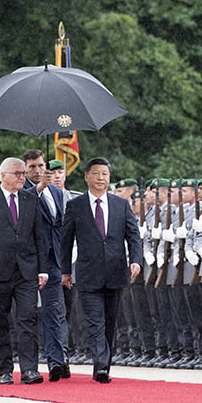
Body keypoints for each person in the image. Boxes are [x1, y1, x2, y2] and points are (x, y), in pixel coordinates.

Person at [61, 157, 143, 383]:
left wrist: (136, 260)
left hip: (116, 272)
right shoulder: (75, 206)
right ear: (87, 176)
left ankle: (104, 363)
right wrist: (65, 270)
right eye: (96, 174)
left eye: (105, 174)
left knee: (110, 321)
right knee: (95, 321)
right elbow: (66, 240)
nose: (100, 178)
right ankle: (100, 366)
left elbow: (133, 236)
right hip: (88, 273)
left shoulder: (120, 205)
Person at [0, 157, 49, 385]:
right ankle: (4, 369)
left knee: (28, 319)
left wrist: (43, 269)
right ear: (2, 175)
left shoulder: (30, 199)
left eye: (23, 173)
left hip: (26, 271)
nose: (21, 177)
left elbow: (39, 237)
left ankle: (29, 370)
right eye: (17, 173)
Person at [22, 148, 70, 381]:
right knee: (27, 314)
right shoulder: (20, 192)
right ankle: (29, 365)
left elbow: (60, 227)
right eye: (32, 167)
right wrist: (37, 190)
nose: (38, 170)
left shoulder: (57, 193)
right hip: (28, 262)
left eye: (41, 166)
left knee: (54, 311)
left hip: (53, 261)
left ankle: (57, 362)